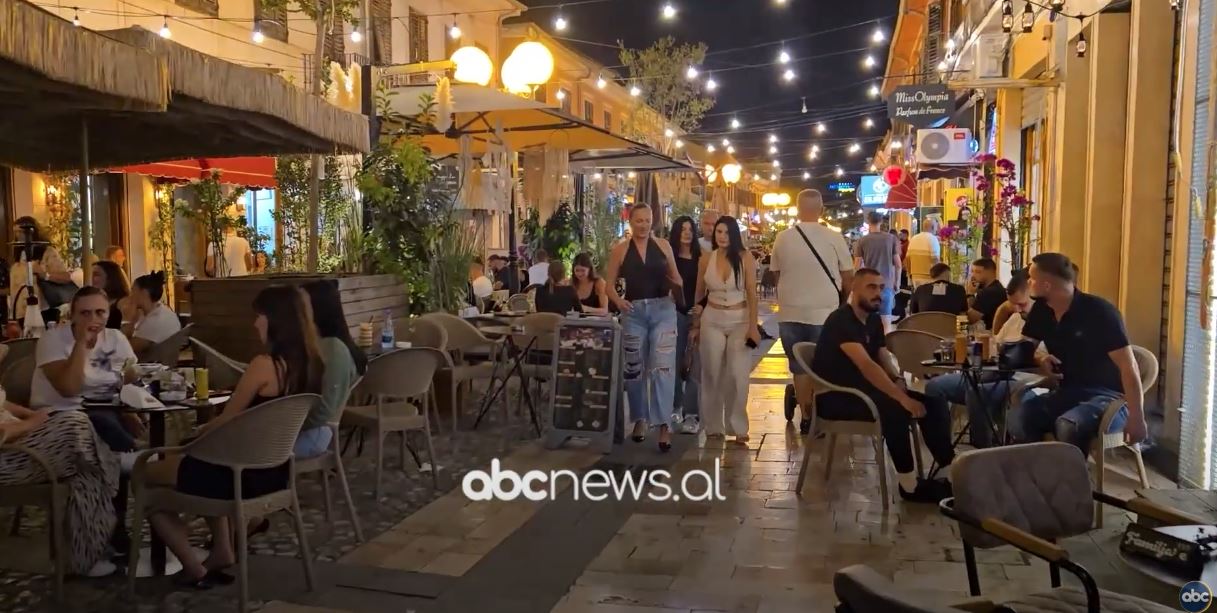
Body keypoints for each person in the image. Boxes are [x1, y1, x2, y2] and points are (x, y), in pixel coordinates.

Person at [146, 285, 324, 588]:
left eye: (260, 316)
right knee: (201, 456)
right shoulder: (313, 366)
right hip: (276, 472)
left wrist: (195, 435)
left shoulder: (263, 366)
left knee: (146, 478)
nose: (255, 323)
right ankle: (221, 550)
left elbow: (227, 419)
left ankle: (194, 568)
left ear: (275, 320)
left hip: (238, 476)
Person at [812, 269, 956, 502]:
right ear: (855, 289)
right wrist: (902, 398)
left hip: (866, 392)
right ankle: (908, 485)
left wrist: (897, 380)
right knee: (896, 408)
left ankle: (950, 473)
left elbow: (881, 356)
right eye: (871, 287)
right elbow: (867, 365)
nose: (878, 293)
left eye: (881, 288)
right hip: (837, 397)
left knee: (932, 400)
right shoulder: (841, 320)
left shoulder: (872, 321)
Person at [1008, 253, 1147, 451]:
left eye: (1032, 278)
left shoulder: (1100, 312)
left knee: (1068, 425)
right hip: (1067, 391)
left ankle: (1073, 480)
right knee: (1020, 415)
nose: (1028, 282)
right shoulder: (1042, 310)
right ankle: (1038, 473)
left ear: (1046, 285)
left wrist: (1137, 418)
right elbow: (1024, 349)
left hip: (1107, 396)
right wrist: (1041, 359)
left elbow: (1129, 366)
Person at [769, 189, 854, 434]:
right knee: (822, 364)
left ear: (797, 209)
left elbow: (776, 274)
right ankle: (818, 413)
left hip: (790, 312)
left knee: (798, 365)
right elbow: (848, 277)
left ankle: (806, 415)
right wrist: (842, 304)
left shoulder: (782, 238)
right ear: (821, 209)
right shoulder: (834, 238)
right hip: (824, 313)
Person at [0, 405, 120, 576]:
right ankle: (115, 469)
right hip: (8, 457)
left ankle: (86, 556)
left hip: (16, 442)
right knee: (75, 426)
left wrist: (33, 415)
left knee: (83, 467)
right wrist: (31, 423)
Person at [923, 275, 1041, 449]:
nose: (1016, 309)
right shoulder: (1016, 318)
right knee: (934, 386)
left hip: (1018, 378)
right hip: (993, 372)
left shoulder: (1045, 324)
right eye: (1012, 304)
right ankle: (942, 450)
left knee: (975, 392)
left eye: (1021, 304)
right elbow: (996, 345)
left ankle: (982, 447)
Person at [606, 203, 683, 453]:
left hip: (663, 310)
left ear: (653, 221)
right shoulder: (620, 250)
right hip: (634, 312)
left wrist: (675, 289)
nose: (643, 224)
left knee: (663, 367)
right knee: (634, 369)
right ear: (631, 221)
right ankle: (640, 419)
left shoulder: (663, 246)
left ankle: (663, 425)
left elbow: (677, 277)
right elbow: (608, 286)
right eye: (639, 220)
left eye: (647, 220)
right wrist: (619, 302)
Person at [31, 286, 140, 452]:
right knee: (101, 420)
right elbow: (69, 389)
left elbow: (130, 378)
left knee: (142, 418)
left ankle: (142, 458)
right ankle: (137, 456)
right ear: (72, 315)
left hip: (106, 407)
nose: (92, 319)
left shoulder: (115, 338)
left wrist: (127, 410)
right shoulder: (52, 339)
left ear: (108, 313)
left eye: (100, 312)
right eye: (85, 313)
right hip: (62, 412)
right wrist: (81, 343)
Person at [692, 216, 758, 442]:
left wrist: (753, 326)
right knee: (711, 372)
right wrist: (695, 325)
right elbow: (699, 293)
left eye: (727, 233)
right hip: (712, 318)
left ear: (734, 235)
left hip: (740, 319)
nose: (722, 236)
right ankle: (713, 426)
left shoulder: (745, 257)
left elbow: (752, 293)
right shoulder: (706, 259)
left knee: (738, 374)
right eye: (718, 232)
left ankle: (738, 426)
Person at [301, 280, 367, 458]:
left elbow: (325, 410)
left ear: (318, 308)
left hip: (314, 433)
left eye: (302, 305)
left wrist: (288, 424)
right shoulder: (313, 343)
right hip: (299, 428)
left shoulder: (334, 349)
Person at [668, 216, 701, 434]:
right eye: (683, 229)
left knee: (695, 365)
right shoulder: (670, 257)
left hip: (697, 314)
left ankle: (692, 413)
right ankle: (675, 407)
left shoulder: (702, 258)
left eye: (690, 229)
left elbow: (707, 287)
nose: (687, 233)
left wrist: (701, 308)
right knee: (675, 360)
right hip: (675, 313)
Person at [10, 216, 72, 322]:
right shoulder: (18, 256)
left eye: (20, 232)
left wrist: (45, 275)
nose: (18, 236)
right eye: (16, 232)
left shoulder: (47, 252)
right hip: (21, 312)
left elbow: (66, 277)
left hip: (43, 310)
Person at [852, 212, 902, 331]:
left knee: (868, 322)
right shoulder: (891, 239)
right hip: (887, 285)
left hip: (868, 286)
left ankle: (870, 348)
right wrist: (897, 282)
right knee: (886, 324)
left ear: (868, 222)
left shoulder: (862, 241)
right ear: (881, 222)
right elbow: (898, 264)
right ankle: (887, 348)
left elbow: (857, 266)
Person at [127, 271, 182, 354]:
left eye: (133, 290)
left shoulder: (156, 319)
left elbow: (126, 350)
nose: (130, 295)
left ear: (144, 293)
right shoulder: (158, 311)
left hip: (151, 363)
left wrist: (128, 320)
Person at [91, 260, 133, 330]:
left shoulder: (123, 302)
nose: (91, 278)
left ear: (110, 278)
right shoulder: (98, 303)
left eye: (96, 275)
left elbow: (127, 329)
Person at [967, 257, 1006, 330]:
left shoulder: (988, 293)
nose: (973, 276)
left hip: (990, 335)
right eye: (972, 271)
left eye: (978, 272)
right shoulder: (998, 287)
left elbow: (970, 318)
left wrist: (970, 293)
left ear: (990, 273)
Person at [906, 217, 941, 287]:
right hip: (929, 277)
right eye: (936, 227)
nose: (937, 230)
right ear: (933, 227)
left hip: (915, 276)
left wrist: (910, 275)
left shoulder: (913, 238)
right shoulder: (933, 239)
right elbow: (935, 259)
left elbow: (907, 258)